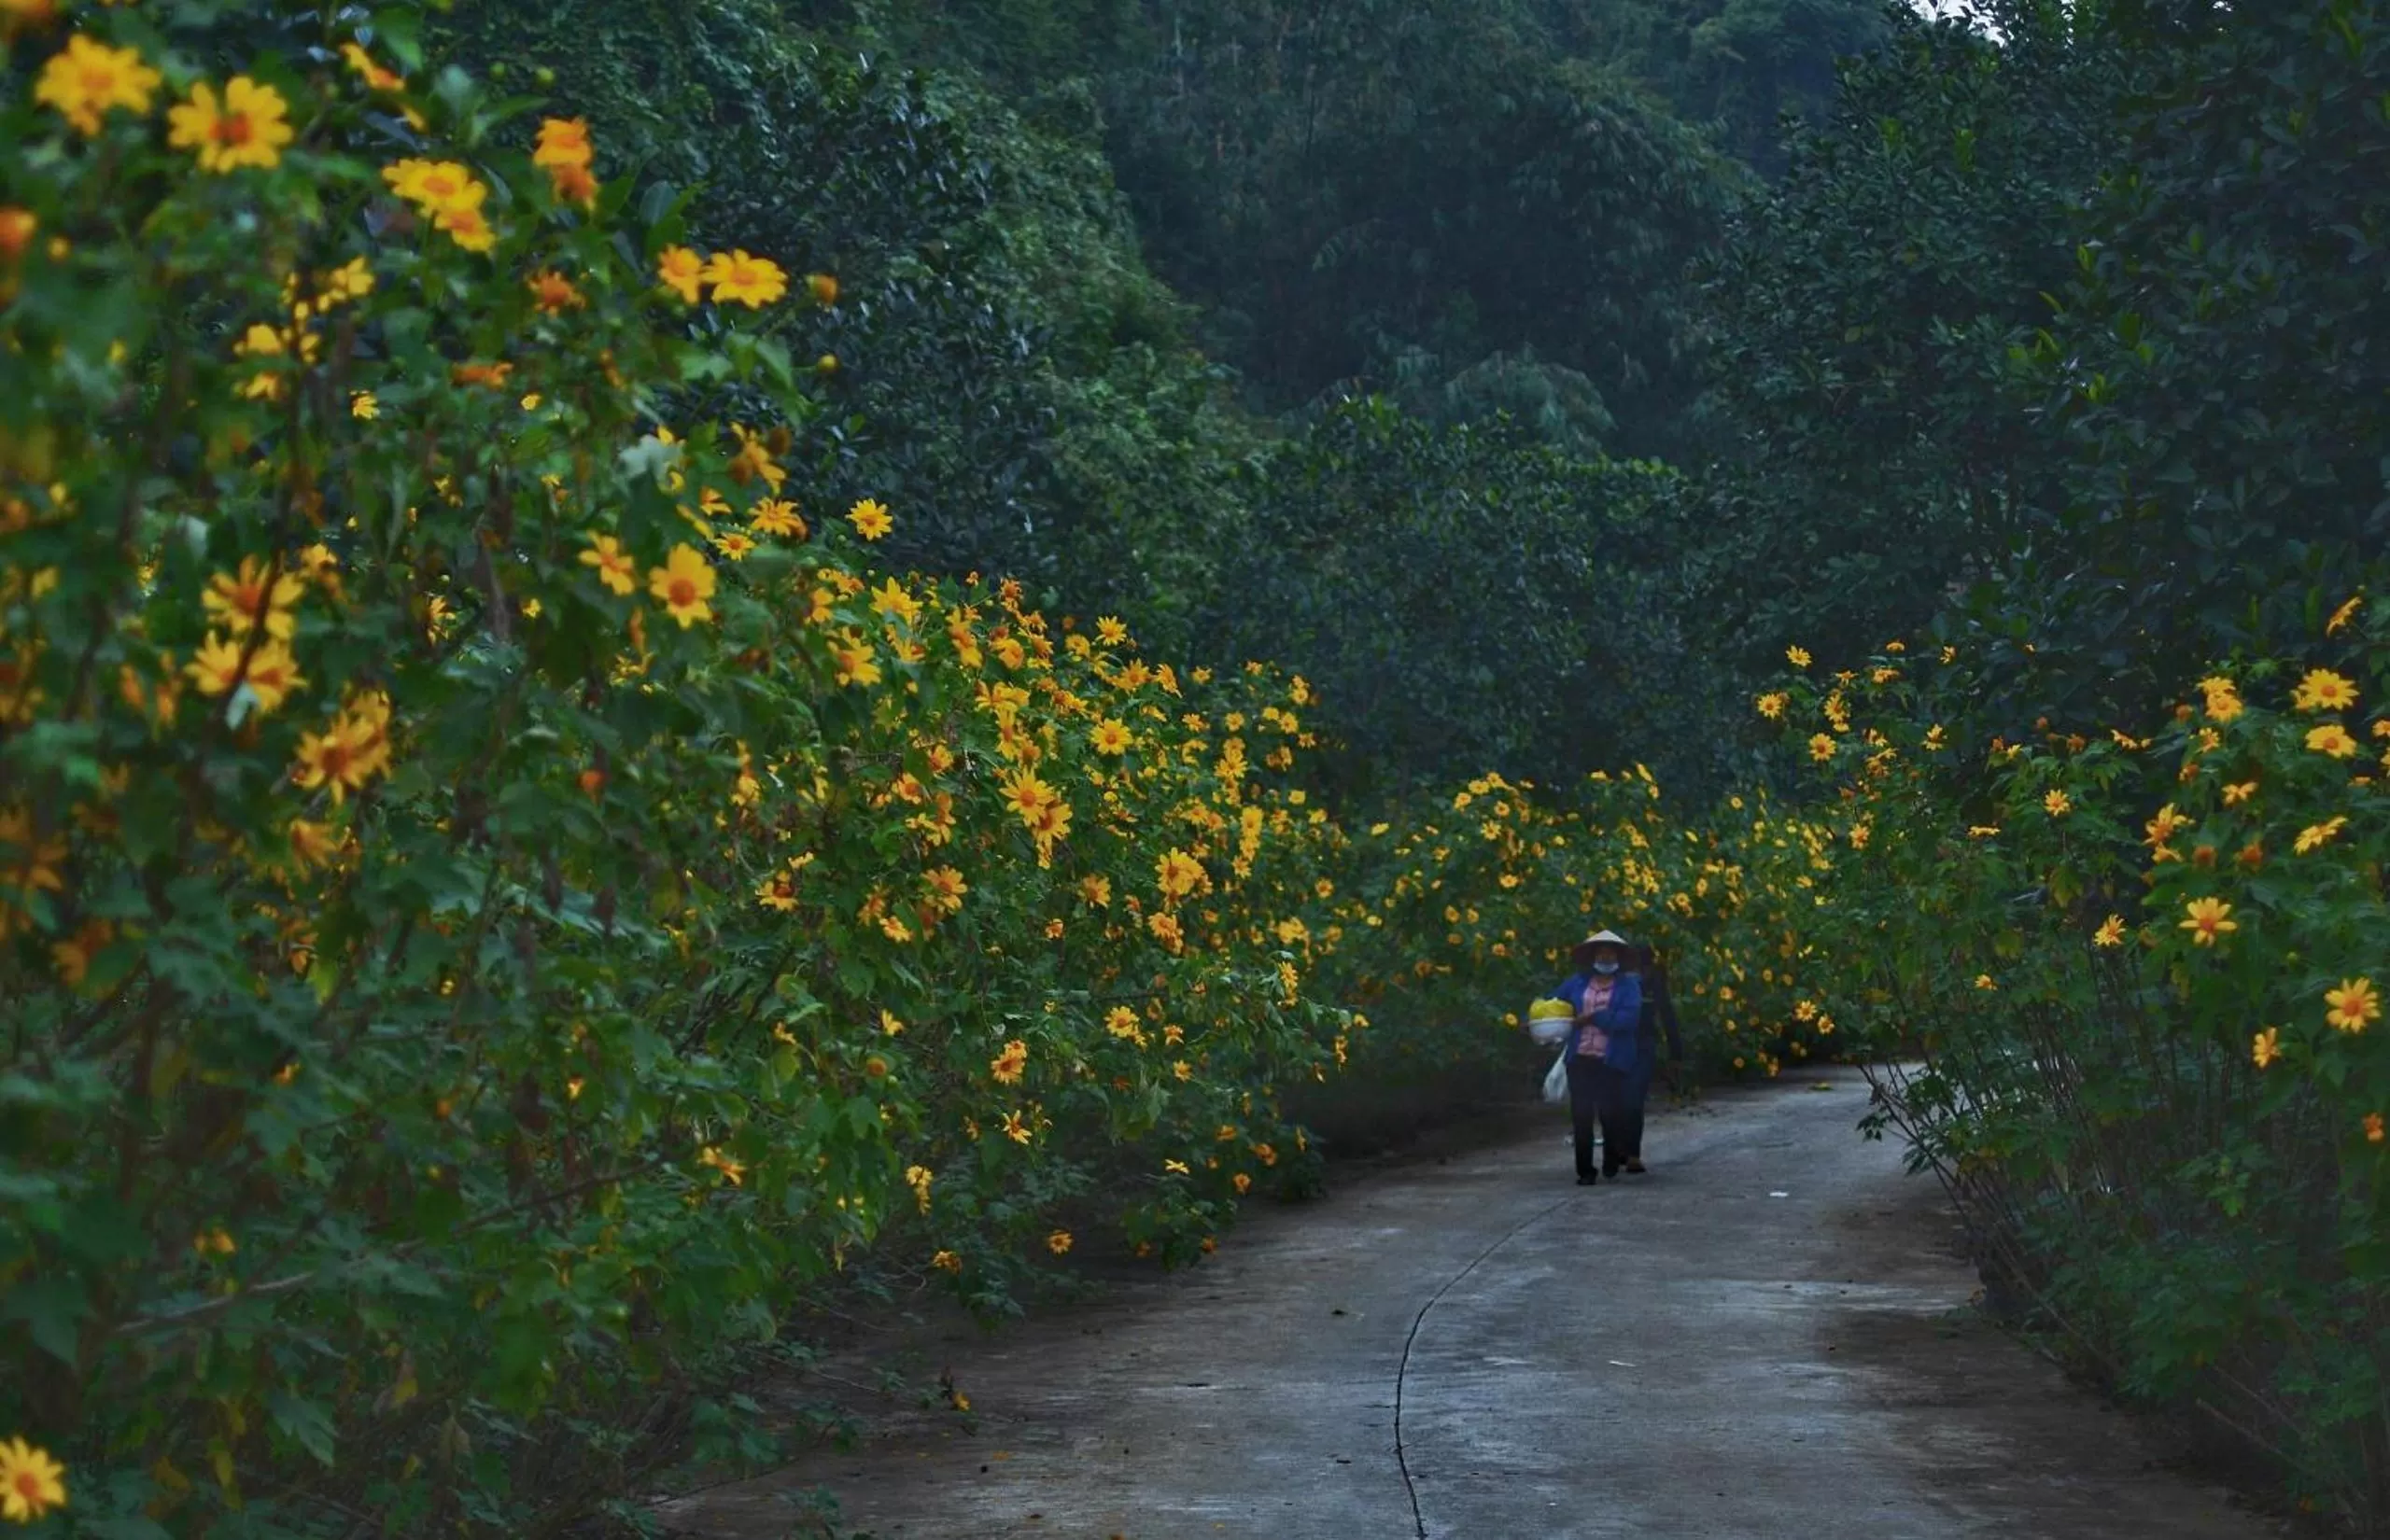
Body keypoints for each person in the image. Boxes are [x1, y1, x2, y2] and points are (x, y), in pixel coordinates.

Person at [1551, 929, 1642, 1185]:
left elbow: (1628, 1020)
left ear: (1618, 957)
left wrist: (1593, 1017)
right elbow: (1551, 1003)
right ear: (1592, 956)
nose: (1604, 957)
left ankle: (1611, 1158)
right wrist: (1534, 1021)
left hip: (1610, 1062)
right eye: (1600, 953)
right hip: (1580, 1058)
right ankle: (1585, 1171)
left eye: (1609, 953)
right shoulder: (1577, 983)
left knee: (1609, 1114)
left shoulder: (1628, 986)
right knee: (1581, 1116)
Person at [1616, 943, 1685, 1175]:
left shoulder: (1653, 982)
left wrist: (1676, 1051)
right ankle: (1620, 1148)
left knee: (1634, 1097)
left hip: (1643, 1044)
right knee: (1615, 1099)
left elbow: (1667, 1013)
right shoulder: (1613, 980)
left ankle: (1633, 1153)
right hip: (1614, 1044)